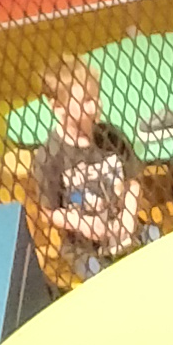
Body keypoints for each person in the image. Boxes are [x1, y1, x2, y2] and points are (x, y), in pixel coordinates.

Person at [28, 55, 146, 283]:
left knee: (159, 244)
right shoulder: (50, 157)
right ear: (58, 107)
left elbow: (132, 181)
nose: (95, 106)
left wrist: (129, 214)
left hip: (125, 229)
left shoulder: (111, 136)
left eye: (96, 97)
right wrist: (81, 223)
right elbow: (49, 211)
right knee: (104, 280)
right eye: (86, 101)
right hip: (85, 249)